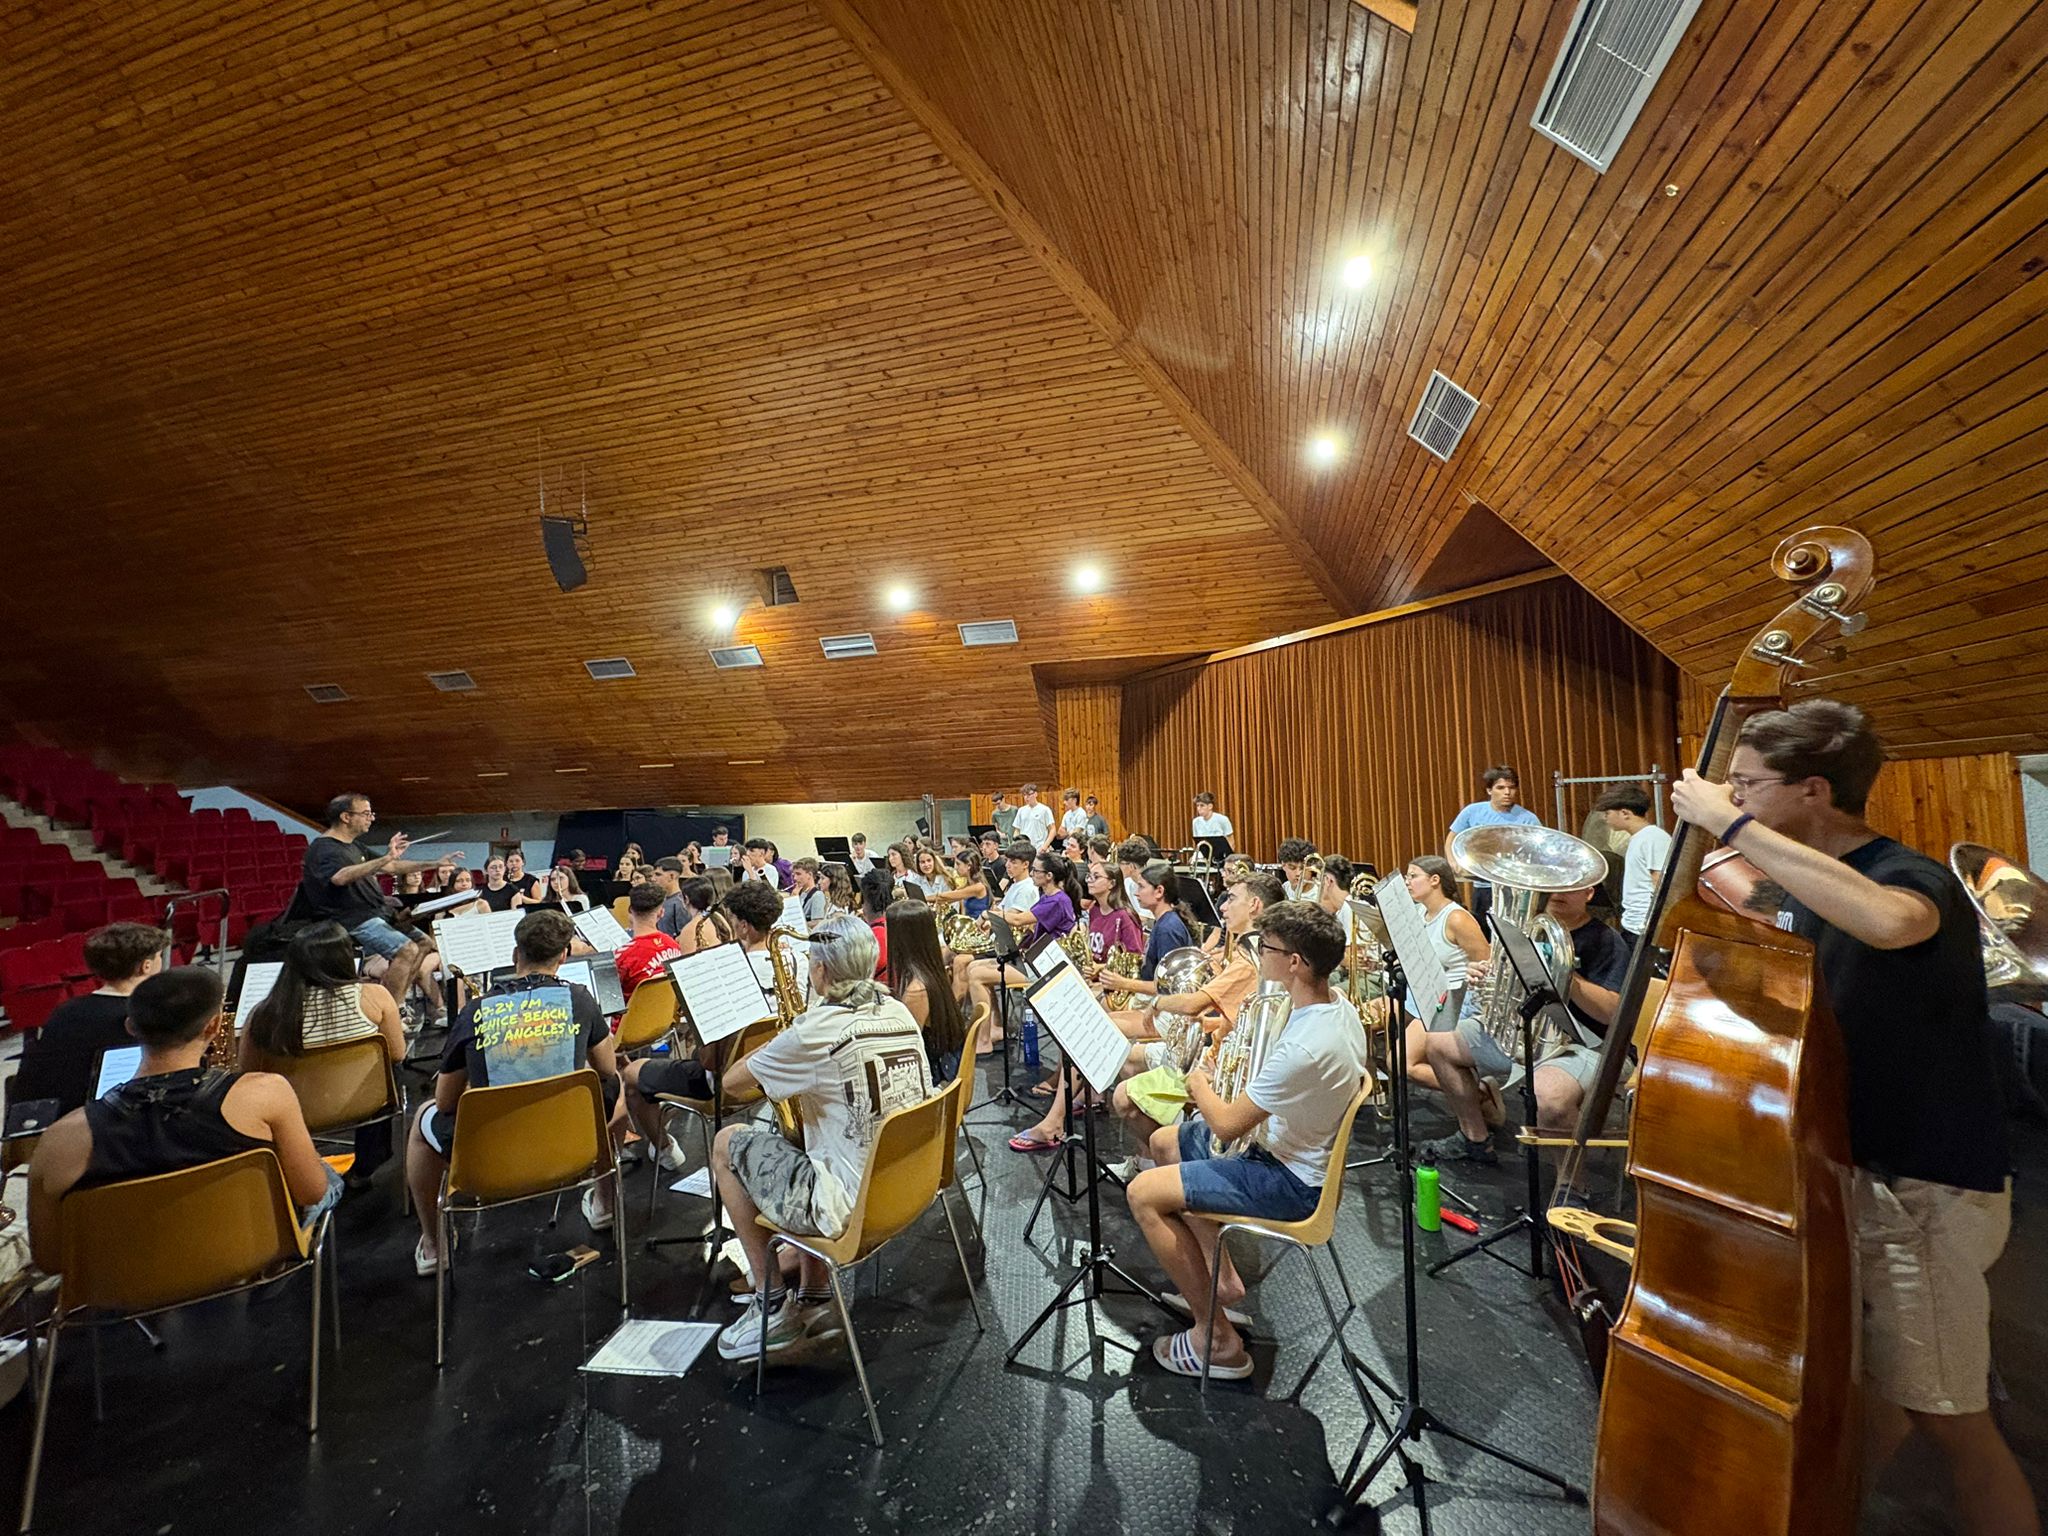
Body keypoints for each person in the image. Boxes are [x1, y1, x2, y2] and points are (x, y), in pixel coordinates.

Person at [1670, 699, 2033, 1536]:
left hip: (1927, 1189)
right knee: (1877, 1400)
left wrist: (1730, 828)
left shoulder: (1908, 878)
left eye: (1747, 784)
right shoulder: (1803, 891)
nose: (1735, 795)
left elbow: (1891, 922)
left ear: (1813, 790)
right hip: (1860, 1174)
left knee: (1955, 1425)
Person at [1126, 900, 1368, 1380]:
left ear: (1295, 963)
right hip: (1282, 1146)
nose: (1259, 954)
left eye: (1267, 947)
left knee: (1143, 1195)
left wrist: (1198, 1078)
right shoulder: (1333, 1005)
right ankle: (1222, 1282)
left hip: (1290, 1179)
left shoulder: (1306, 1045)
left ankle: (1218, 1341)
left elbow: (1225, 1125)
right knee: (1165, 1144)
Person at [710, 914, 933, 1362]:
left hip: (850, 1210)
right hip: (906, 1188)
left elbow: (732, 1083)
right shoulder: (898, 1010)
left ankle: (770, 1303)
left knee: (726, 1142)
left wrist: (783, 1039)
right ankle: (813, 1295)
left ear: (821, 971)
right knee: (807, 1145)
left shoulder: (815, 1032)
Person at [28, 967, 342, 1272]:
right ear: (214, 1026)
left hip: (123, 1281)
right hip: (247, 1253)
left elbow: (51, 1260)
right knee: (326, 1177)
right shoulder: (266, 1092)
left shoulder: (61, 1138)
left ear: (131, 1027)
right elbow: (310, 1192)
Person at [407, 911, 621, 1273]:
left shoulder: (475, 1010)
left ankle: (433, 1245)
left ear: (514, 956)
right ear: (564, 957)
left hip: (487, 1159)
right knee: (617, 1088)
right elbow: (607, 1069)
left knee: (422, 1120)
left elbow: (445, 1102)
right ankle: (604, 1205)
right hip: (570, 1147)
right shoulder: (580, 1000)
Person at [1416, 878, 1627, 1166]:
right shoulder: (1530, 932)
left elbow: (1613, 1013)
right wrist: (1484, 974)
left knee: (1550, 1097)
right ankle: (1474, 1138)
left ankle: (1572, 1190)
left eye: (1570, 886)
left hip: (1584, 1043)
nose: (1557, 890)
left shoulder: (1607, 941)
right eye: (1552, 883)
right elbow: (1509, 986)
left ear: (1589, 893)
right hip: (1526, 1032)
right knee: (1438, 1042)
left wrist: (1564, 975)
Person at [298, 793, 449, 1025]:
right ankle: (388, 1013)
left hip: (374, 914)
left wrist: (434, 863)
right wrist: (383, 859)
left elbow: (393, 865)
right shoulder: (323, 848)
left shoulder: (355, 846)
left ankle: (394, 999)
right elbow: (340, 877)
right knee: (406, 950)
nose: (371, 818)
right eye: (366, 813)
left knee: (423, 943)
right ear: (346, 817)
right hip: (350, 919)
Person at [14, 922, 168, 1116]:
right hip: (113, 1121)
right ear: (146, 966)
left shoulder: (65, 1011)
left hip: (62, 1114)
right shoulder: (151, 1014)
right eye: (159, 957)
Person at [1391, 857, 1491, 1095]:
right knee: (1373, 1014)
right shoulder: (1419, 913)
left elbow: (1486, 963)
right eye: (1406, 877)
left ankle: (1481, 1094)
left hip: (1455, 999)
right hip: (1427, 993)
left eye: (1413, 876)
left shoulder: (1456, 918)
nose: (1407, 882)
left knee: (1400, 1061)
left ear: (1435, 880)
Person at [961, 844, 1053, 1044]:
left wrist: (989, 916)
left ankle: (983, 1037)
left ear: (1026, 865)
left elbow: (1015, 918)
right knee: (970, 966)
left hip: (1016, 953)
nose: (1008, 866)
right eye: (1008, 862)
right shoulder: (1014, 886)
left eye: (1013, 863)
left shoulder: (1027, 888)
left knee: (967, 966)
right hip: (1003, 944)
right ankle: (995, 1023)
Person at [1445, 766, 1541, 929]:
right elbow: (1452, 838)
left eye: (1511, 788)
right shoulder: (1472, 812)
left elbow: (1538, 853)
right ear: (1489, 790)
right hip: (1484, 887)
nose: (1507, 792)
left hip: (1515, 890)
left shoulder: (1529, 819)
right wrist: (1454, 862)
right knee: (1484, 930)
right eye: (1501, 788)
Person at [885, 898, 969, 1083]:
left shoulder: (917, 990)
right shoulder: (932, 967)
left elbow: (907, 1047)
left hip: (932, 1074)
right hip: (941, 1061)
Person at [1594, 784, 1672, 943]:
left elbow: (1660, 881)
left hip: (1645, 926)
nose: (1605, 818)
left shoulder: (1653, 837)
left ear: (1624, 813)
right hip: (1634, 924)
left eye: (1608, 813)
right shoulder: (1640, 837)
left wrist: (1655, 925)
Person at [614, 882, 683, 1000]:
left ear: (630, 910)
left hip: (629, 1017)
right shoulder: (674, 945)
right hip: (665, 1014)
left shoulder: (621, 957)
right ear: (661, 913)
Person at [649, 856, 689, 937]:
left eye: (658, 874)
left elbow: (685, 937)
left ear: (672, 876)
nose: (653, 879)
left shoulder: (681, 904)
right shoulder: (660, 901)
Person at [1011, 783, 1056, 851]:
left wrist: (1045, 845)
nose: (1026, 797)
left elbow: (1052, 829)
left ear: (1035, 794)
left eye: (1029, 794)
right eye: (1024, 795)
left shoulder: (1045, 810)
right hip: (1024, 848)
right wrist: (1015, 843)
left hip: (1039, 847)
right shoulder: (1021, 810)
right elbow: (1017, 829)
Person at [1277, 838, 1319, 902]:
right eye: (1292, 868)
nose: (1298, 873)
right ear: (1283, 865)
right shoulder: (1281, 891)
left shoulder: (1323, 895)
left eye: (1303, 868)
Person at [790, 857, 829, 925]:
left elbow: (817, 922)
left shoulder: (817, 895)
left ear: (810, 875)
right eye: (794, 874)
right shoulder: (799, 892)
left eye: (798, 874)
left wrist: (796, 902)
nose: (795, 878)